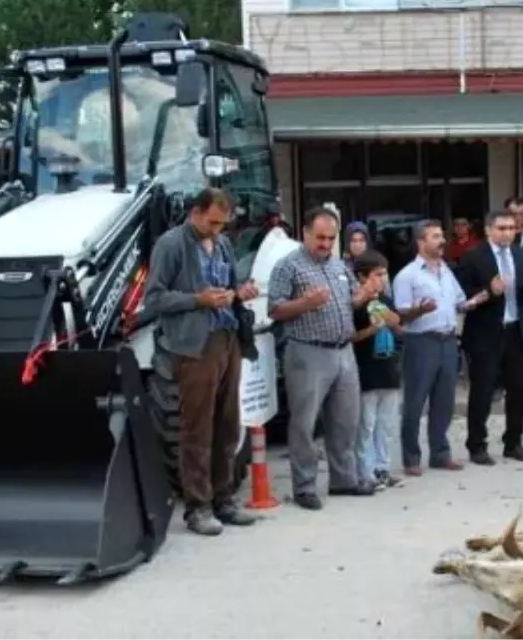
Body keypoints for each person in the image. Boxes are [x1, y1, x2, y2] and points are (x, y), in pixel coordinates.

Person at [143, 186, 259, 536]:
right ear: (195, 212)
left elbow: (229, 289)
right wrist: (198, 300)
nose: (217, 229)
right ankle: (197, 506)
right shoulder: (171, 244)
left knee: (227, 424)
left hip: (227, 339)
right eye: (212, 222)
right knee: (197, 428)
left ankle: (223, 498)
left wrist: (242, 292)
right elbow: (155, 298)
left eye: (223, 223)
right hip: (194, 346)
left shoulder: (222, 243)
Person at [268, 207, 384, 511]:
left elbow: (351, 299)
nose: (325, 243)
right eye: (320, 237)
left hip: (344, 351)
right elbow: (275, 310)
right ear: (305, 233)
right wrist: (305, 303)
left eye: (331, 238)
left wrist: (366, 294)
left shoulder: (338, 266)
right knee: (304, 423)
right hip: (308, 353)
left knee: (346, 420)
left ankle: (343, 479)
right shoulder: (288, 266)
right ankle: (304, 486)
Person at [394, 220, 490, 475]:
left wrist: (475, 301)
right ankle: (411, 457)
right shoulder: (407, 276)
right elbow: (399, 315)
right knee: (415, 402)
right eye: (435, 236)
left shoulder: (446, 271)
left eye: (441, 236)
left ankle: (440, 453)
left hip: (448, 341)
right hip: (421, 342)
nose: (441, 241)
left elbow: (459, 303)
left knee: (444, 401)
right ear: (421, 242)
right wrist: (420, 309)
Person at [458, 210, 523, 465]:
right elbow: (462, 295)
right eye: (502, 228)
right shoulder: (473, 257)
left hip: (516, 331)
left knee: (518, 389)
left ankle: (513, 443)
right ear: (488, 230)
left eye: (511, 228)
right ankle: (477, 445)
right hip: (485, 333)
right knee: (482, 391)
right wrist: (488, 291)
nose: (507, 233)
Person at [351, 250, 405, 490]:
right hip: (367, 371)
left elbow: (396, 323)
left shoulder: (385, 300)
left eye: (385, 274)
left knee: (386, 424)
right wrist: (369, 331)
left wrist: (391, 317)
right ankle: (365, 472)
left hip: (388, 369)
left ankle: (383, 468)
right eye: (377, 274)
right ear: (362, 277)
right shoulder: (354, 304)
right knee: (366, 425)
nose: (383, 279)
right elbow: (350, 336)